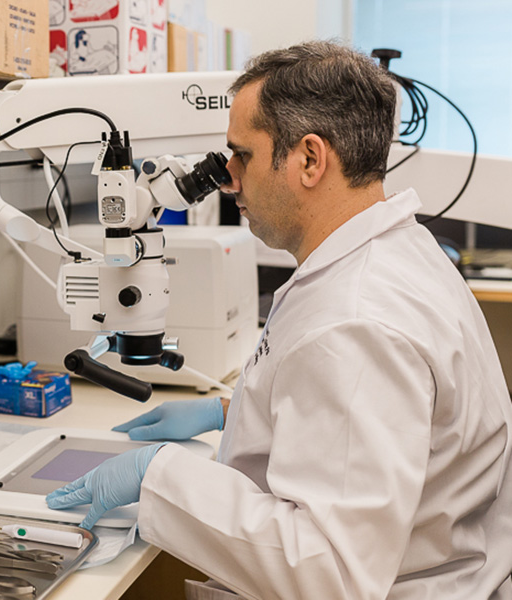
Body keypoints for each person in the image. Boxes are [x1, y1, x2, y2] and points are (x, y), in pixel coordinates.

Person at [46, 40, 512, 599]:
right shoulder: (392, 253)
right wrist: (230, 410)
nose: (228, 178)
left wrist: (160, 476)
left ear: (310, 159)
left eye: (240, 155)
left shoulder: (355, 323)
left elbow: (328, 574)